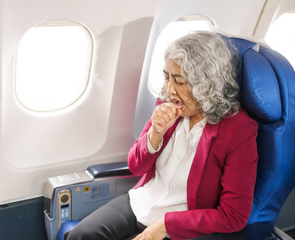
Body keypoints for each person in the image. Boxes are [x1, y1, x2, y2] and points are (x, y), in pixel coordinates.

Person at [65, 31, 258, 240]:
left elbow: (233, 216)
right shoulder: (167, 104)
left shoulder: (238, 130)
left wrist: (166, 224)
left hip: (179, 223)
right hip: (141, 202)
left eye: (179, 82)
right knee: (80, 236)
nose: (169, 90)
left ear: (207, 84)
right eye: (166, 77)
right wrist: (155, 134)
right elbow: (135, 166)